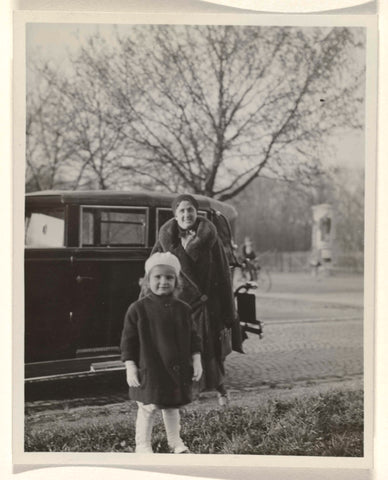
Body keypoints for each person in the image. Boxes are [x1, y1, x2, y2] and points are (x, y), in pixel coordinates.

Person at [151, 194, 243, 406]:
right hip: (180, 307)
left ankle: (221, 391)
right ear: (175, 215)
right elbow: (153, 272)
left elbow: (223, 275)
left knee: (213, 352)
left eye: (190, 210)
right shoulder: (165, 239)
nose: (186, 215)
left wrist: (229, 312)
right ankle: (192, 395)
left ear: (197, 212)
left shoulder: (211, 238)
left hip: (208, 306)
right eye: (181, 211)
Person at [120, 252, 203, 454]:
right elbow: (128, 341)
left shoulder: (183, 309)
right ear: (148, 280)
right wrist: (130, 366)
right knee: (147, 408)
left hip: (175, 369)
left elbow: (193, 336)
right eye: (158, 277)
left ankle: (175, 442)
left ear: (177, 281)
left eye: (169, 277)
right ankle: (143, 445)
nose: (164, 282)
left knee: (172, 407)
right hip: (150, 367)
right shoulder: (138, 309)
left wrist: (197, 358)